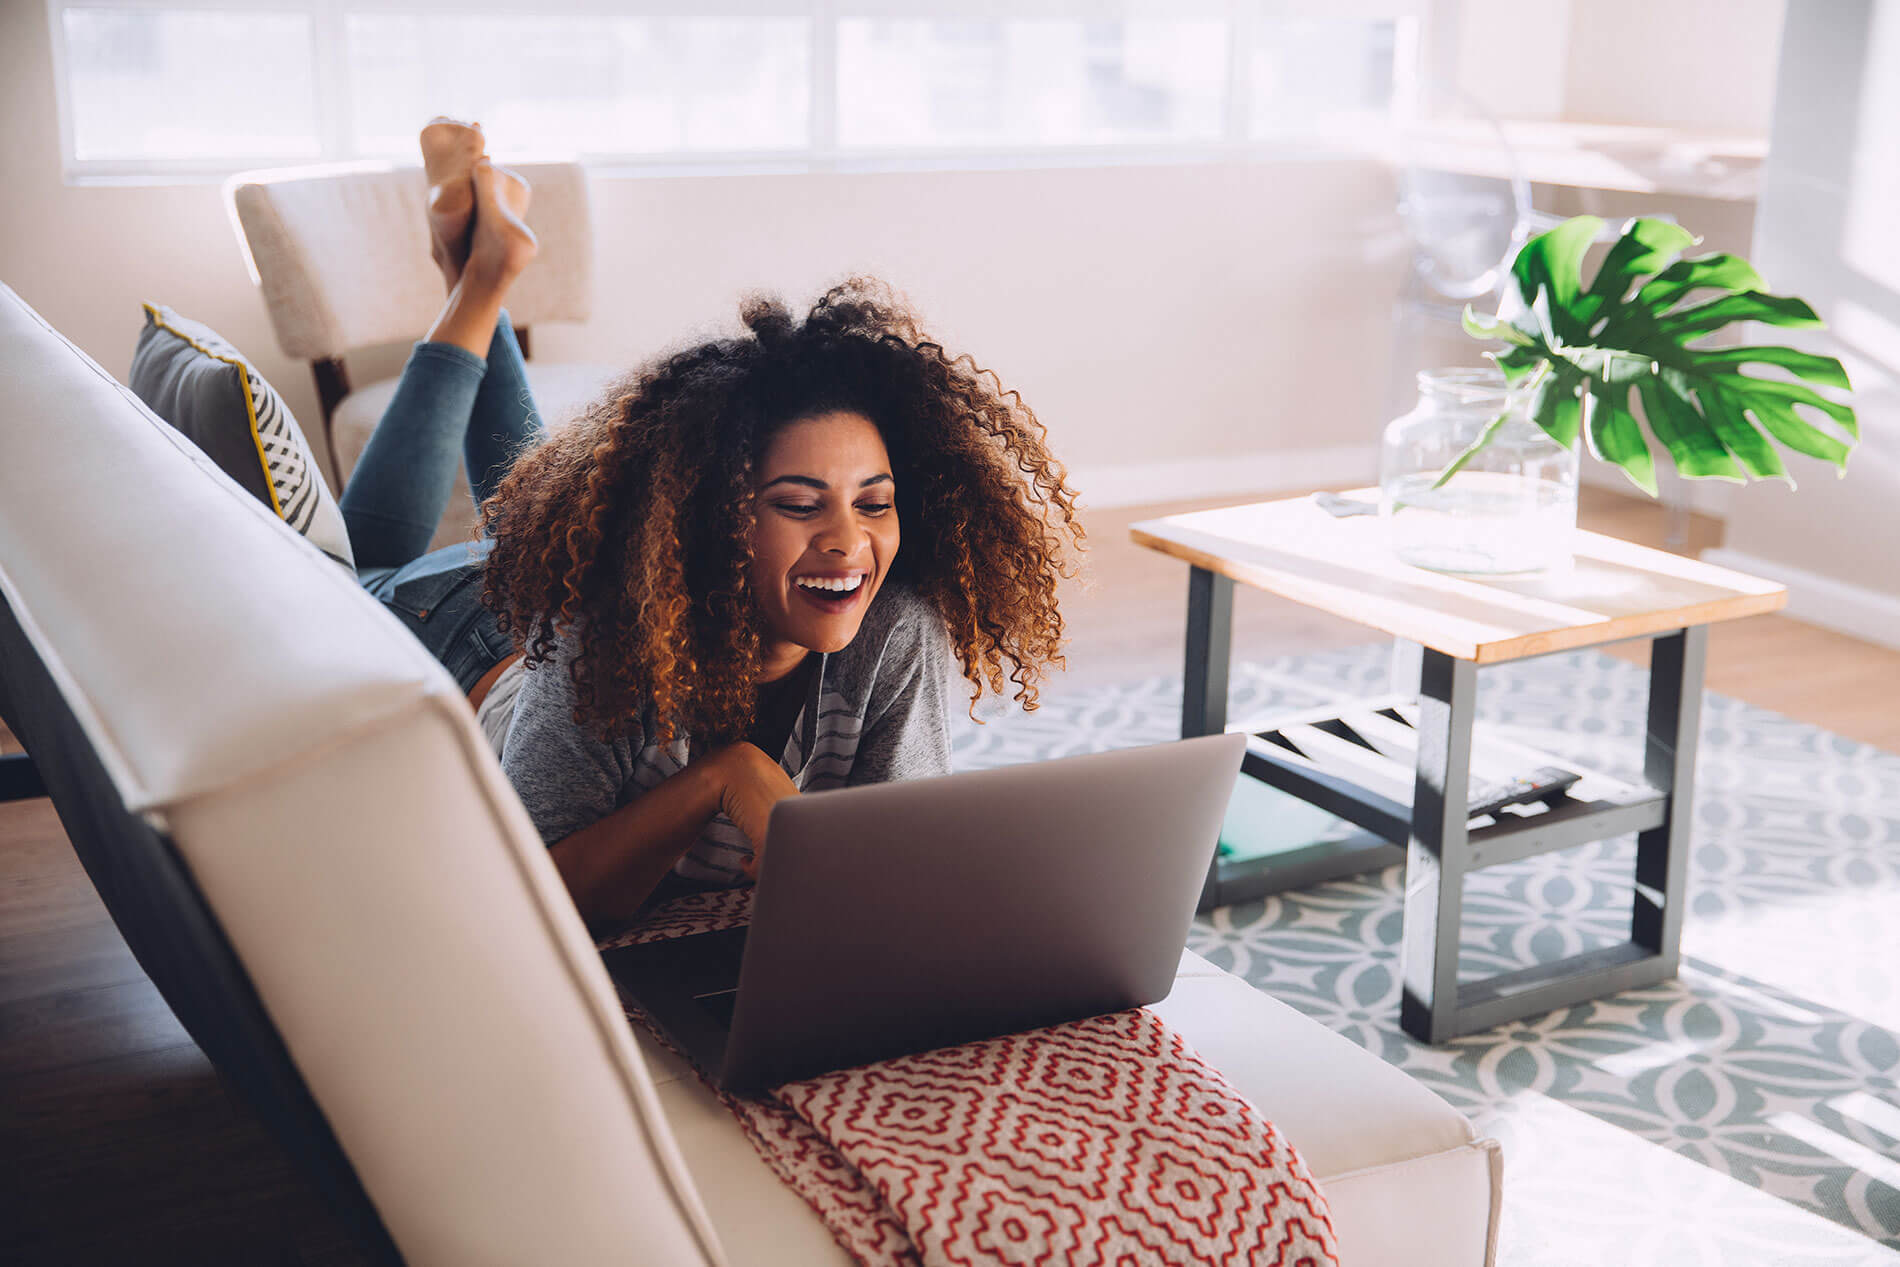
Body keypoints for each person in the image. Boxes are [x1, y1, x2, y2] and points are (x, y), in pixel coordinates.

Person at [348, 119, 1084, 928]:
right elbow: (538, 905)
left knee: (519, 501)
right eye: (801, 504)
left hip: (547, 586)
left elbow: (895, 873)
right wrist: (718, 777)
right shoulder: (608, 636)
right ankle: (479, 283)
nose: (848, 540)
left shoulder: (894, 632)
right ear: (714, 520)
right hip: (463, 635)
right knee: (352, 569)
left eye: (874, 502)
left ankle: (478, 269)